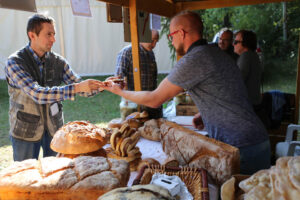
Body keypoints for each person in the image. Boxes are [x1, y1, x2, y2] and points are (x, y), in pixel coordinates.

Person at [100, 11, 270, 175]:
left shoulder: (195, 59)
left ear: (181, 33)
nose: (171, 42)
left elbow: (154, 99)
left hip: (242, 146)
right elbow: (228, 92)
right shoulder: (216, 52)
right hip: (254, 139)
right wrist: (206, 114)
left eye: (171, 36)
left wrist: (120, 91)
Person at [4, 13, 100, 161]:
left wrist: (104, 85)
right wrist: (77, 87)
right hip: (25, 131)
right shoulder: (15, 62)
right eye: (48, 34)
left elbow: (82, 88)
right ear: (32, 35)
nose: (53, 39)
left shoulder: (58, 61)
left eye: (54, 34)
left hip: (54, 129)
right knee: (27, 178)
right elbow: (38, 94)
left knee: (56, 175)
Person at [115, 30, 162, 119]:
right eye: (152, 40)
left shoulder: (150, 53)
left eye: (156, 41)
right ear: (142, 37)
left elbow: (154, 78)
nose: (154, 44)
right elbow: (118, 79)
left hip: (150, 102)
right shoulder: (127, 52)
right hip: (133, 105)